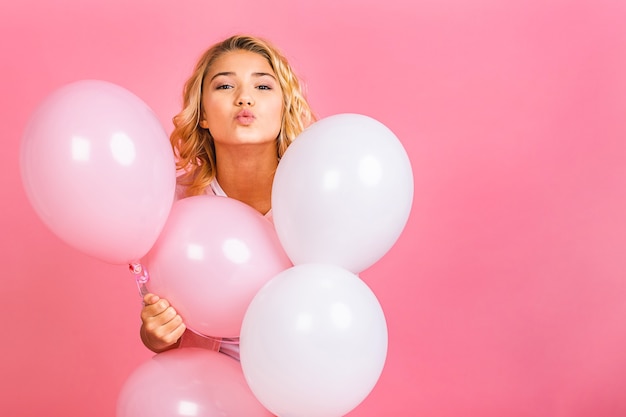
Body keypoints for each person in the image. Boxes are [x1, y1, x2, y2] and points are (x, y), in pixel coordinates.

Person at [139, 34, 315, 357]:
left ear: (283, 108)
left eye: (263, 87)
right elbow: (163, 333)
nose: (245, 98)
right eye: (224, 86)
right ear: (203, 114)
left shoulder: (315, 199)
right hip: (205, 395)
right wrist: (156, 334)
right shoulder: (173, 205)